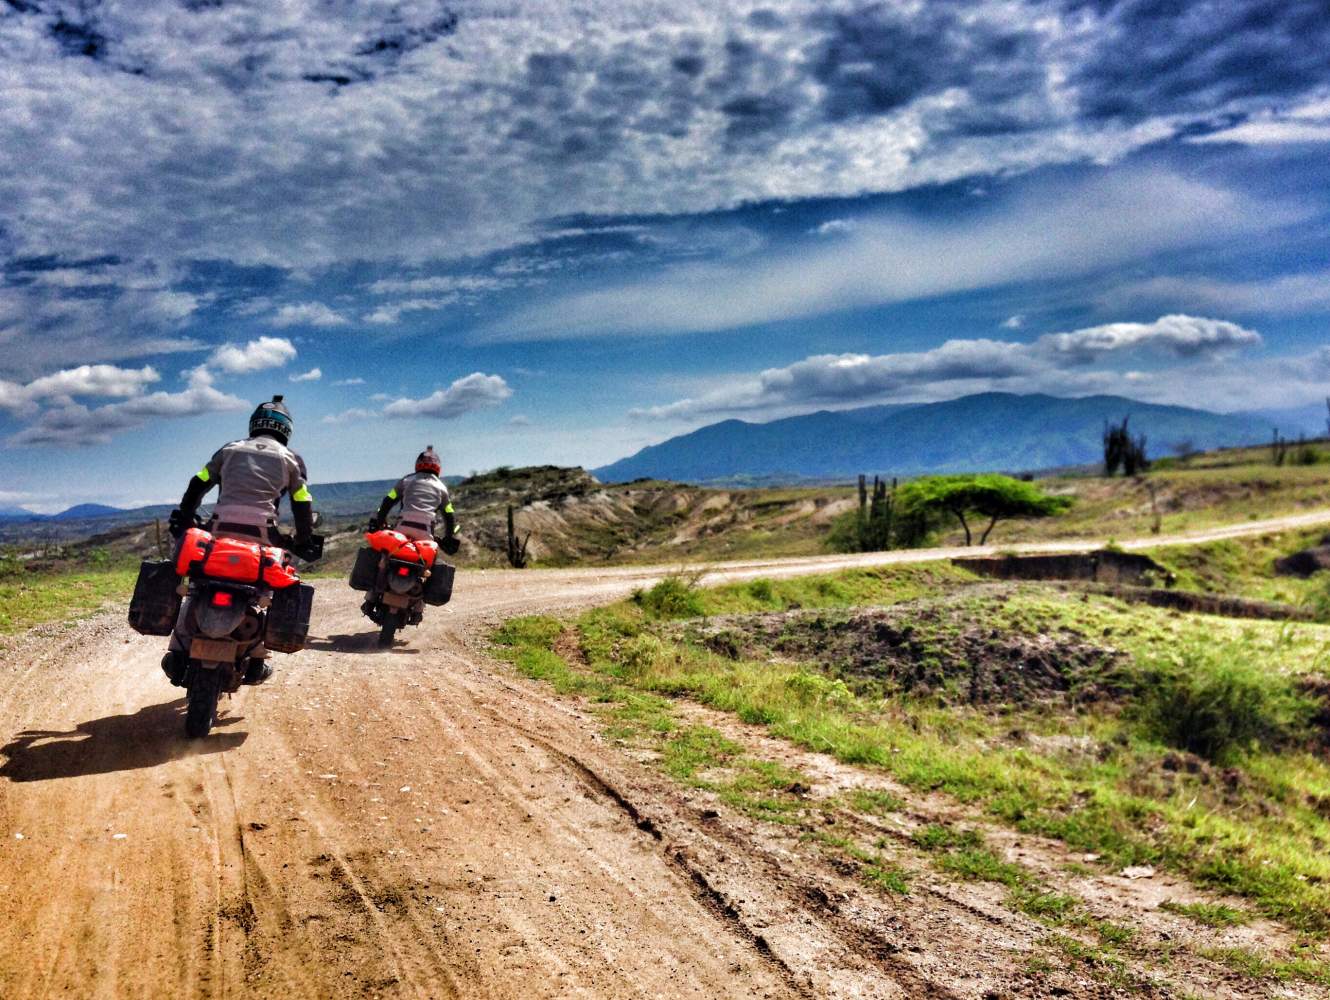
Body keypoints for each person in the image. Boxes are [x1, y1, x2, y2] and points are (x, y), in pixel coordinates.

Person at [161, 395, 315, 685]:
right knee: (264, 592)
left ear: (254, 424)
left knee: (195, 588)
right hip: (263, 537)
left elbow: (199, 482)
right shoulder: (291, 459)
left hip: (219, 532)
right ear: (286, 430)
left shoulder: (230, 449)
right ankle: (257, 657)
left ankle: (177, 650)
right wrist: (303, 538)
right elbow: (301, 501)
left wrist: (185, 515)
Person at [368, 445, 459, 552]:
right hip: (425, 534)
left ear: (418, 464)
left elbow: (388, 501)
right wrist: (448, 536)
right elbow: (449, 514)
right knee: (429, 562)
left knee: (385, 553)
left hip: (402, 528)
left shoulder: (406, 480)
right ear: (438, 467)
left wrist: (380, 522)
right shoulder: (442, 488)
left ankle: (383, 564)